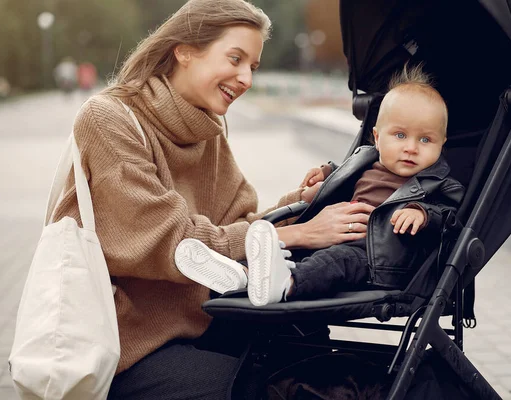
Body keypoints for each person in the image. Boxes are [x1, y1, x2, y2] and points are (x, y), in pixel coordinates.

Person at [52, 0, 373, 398]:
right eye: (235, 58)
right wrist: (298, 234)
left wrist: (305, 203)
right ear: (184, 50)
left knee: (311, 359)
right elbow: (167, 240)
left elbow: (239, 223)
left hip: (203, 319)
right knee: (268, 387)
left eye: (252, 67)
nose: (246, 79)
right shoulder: (109, 119)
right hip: (125, 345)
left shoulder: (207, 127)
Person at [176, 64, 465, 306]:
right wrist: (326, 172)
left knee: (331, 262)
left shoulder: (438, 183)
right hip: (338, 239)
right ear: (377, 138)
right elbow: (345, 171)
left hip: (377, 259)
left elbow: (450, 217)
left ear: (442, 145)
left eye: (425, 140)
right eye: (400, 135)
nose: (411, 148)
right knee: (300, 254)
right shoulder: (368, 159)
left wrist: (423, 214)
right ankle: (243, 276)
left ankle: (287, 284)